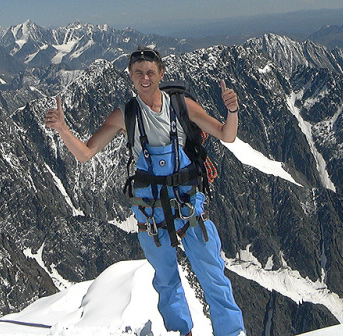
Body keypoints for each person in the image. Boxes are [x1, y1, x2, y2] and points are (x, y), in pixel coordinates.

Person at [44, 47, 246, 336]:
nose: (145, 78)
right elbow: (86, 153)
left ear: (161, 74)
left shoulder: (182, 106)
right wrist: (63, 129)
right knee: (167, 281)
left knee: (212, 276)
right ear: (130, 76)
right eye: (138, 73)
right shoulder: (124, 115)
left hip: (184, 209)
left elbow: (227, 134)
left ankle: (230, 333)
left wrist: (232, 110)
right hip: (153, 213)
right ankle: (181, 332)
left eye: (150, 72)